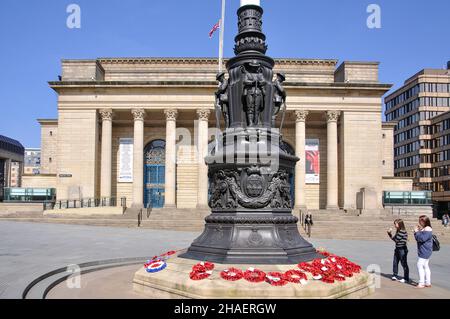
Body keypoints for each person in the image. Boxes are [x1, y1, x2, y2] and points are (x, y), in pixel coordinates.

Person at [414, 215, 433, 289]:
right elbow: (419, 238)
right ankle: (428, 282)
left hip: (425, 250)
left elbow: (421, 239)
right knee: (425, 266)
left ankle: (421, 283)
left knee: (419, 265)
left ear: (424, 221)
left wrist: (416, 232)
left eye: (420, 221)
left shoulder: (427, 229)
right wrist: (418, 231)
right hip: (426, 250)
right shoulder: (426, 229)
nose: (419, 222)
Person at [387, 219, 409, 283]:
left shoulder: (402, 231)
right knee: (395, 262)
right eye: (394, 224)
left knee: (404, 263)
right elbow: (395, 239)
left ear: (400, 224)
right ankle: (395, 275)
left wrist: (389, 234)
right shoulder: (398, 231)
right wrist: (390, 234)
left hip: (402, 249)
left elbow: (396, 240)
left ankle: (406, 278)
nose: (395, 225)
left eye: (395, 224)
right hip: (398, 248)